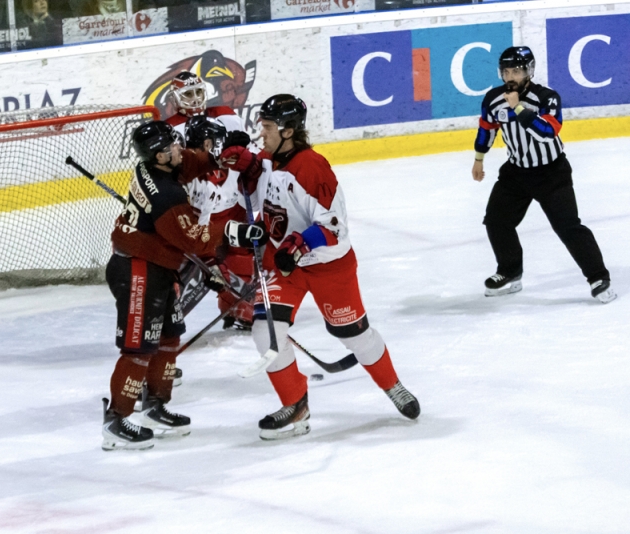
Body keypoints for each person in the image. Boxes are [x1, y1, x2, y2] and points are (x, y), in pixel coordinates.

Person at [219, 94, 421, 440]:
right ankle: (296, 406)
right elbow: (255, 178)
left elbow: (334, 226)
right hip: (286, 267)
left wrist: (297, 246)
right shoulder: (269, 159)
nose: (260, 132)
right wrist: (241, 163)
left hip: (329, 264)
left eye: (266, 127)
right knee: (264, 332)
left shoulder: (312, 168)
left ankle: (393, 386)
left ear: (287, 130)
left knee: (353, 336)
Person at [102, 120, 265, 450]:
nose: (179, 149)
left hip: (157, 267)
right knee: (139, 349)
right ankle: (116, 421)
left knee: (170, 335)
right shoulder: (167, 196)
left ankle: (155, 406)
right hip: (137, 270)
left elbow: (192, 161)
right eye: (172, 147)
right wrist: (232, 233)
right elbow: (193, 240)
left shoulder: (160, 167)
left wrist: (221, 155)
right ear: (160, 156)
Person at [472, 46, 616, 303]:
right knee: (496, 221)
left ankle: (598, 276)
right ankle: (510, 272)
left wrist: (517, 109)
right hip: (515, 173)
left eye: (516, 71)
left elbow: (547, 131)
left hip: (552, 174)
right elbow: (487, 128)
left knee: (568, 226)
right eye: (506, 72)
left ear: (528, 71)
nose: (510, 77)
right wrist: (479, 159)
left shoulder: (547, 98)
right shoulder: (493, 99)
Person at [182, 115, 255, 330]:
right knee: (205, 268)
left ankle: (235, 307)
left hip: (233, 211)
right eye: (216, 140)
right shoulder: (191, 170)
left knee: (241, 256)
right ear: (207, 142)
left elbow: (261, 164)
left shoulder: (225, 153)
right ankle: (165, 321)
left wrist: (247, 156)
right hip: (206, 222)